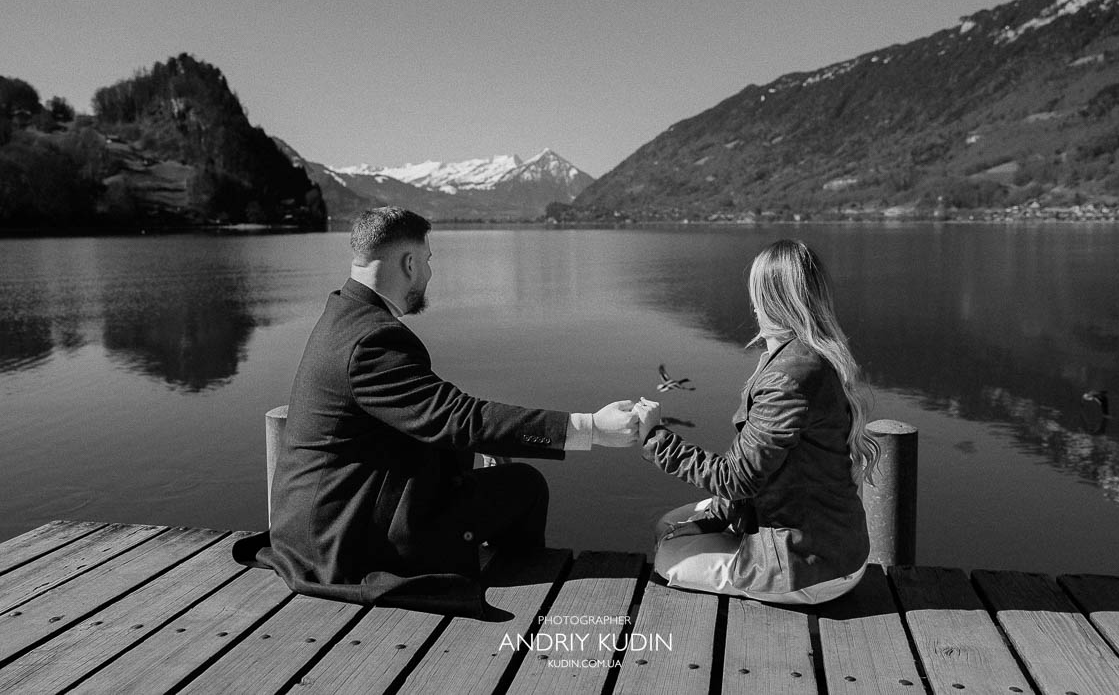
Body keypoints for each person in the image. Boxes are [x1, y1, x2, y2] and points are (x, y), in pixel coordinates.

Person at [233, 207, 640, 617]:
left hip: (312, 528)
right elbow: (459, 417)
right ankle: (521, 594)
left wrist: (475, 447)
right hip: (338, 545)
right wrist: (593, 428)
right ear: (408, 263)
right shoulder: (374, 341)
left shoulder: (343, 314)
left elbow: (419, 416)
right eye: (427, 261)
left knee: (492, 480)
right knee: (525, 486)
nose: (429, 273)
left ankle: (484, 563)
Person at [633, 239, 878, 604]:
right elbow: (760, 475)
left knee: (667, 558)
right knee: (669, 526)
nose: (752, 306)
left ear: (772, 300)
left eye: (756, 295)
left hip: (811, 567)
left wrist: (655, 436)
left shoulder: (789, 377)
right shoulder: (802, 356)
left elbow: (737, 478)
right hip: (826, 544)